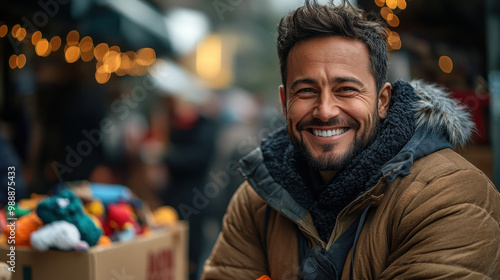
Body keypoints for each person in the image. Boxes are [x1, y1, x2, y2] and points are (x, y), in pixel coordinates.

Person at [201, 1, 500, 279]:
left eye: (346, 89)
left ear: (383, 101)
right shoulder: (258, 200)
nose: (325, 111)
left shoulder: (449, 195)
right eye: (305, 91)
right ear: (284, 102)